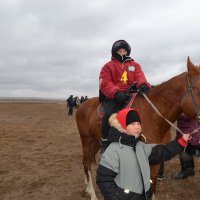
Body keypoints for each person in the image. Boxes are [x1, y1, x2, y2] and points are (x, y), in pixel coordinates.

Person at [96, 108, 191, 200]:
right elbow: (103, 179)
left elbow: (163, 152)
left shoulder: (141, 146)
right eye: (132, 124)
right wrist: (116, 197)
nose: (137, 127)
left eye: (138, 123)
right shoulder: (113, 150)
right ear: (122, 126)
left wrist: (181, 142)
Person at [99, 40, 151, 151]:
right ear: (114, 52)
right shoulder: (108, 66)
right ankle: (105, 142)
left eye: (124, 51)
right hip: (114, 96)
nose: (122, 53)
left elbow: (139, 76)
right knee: (108, 114)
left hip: (131, 95)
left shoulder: (134, 65)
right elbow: (105, 83)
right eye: (119, 50)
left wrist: (142, 84)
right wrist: (116, 93)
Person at [174, 113, 200, 179]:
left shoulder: (189, 107)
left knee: (183, 151)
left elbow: (189, 115)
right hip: (186, 131)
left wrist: (176, 112)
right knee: (188, 151)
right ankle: (190, 170)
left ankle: (185, 172)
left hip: (188, 132)